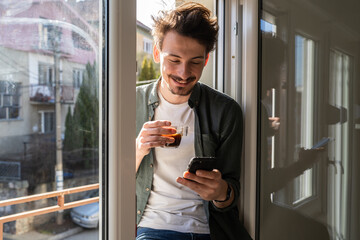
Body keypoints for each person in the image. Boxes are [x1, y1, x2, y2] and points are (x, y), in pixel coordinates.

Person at [135, 2, 251, 240]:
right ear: (157, 53)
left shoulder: (226, 111)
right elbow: (108, 181)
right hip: (152, 228)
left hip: (209, 230)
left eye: (195, 62)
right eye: (174, 60)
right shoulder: (127, 103)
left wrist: (220, 191)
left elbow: (231, 192)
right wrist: (138, 149)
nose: (184, 73)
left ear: (206, 60)